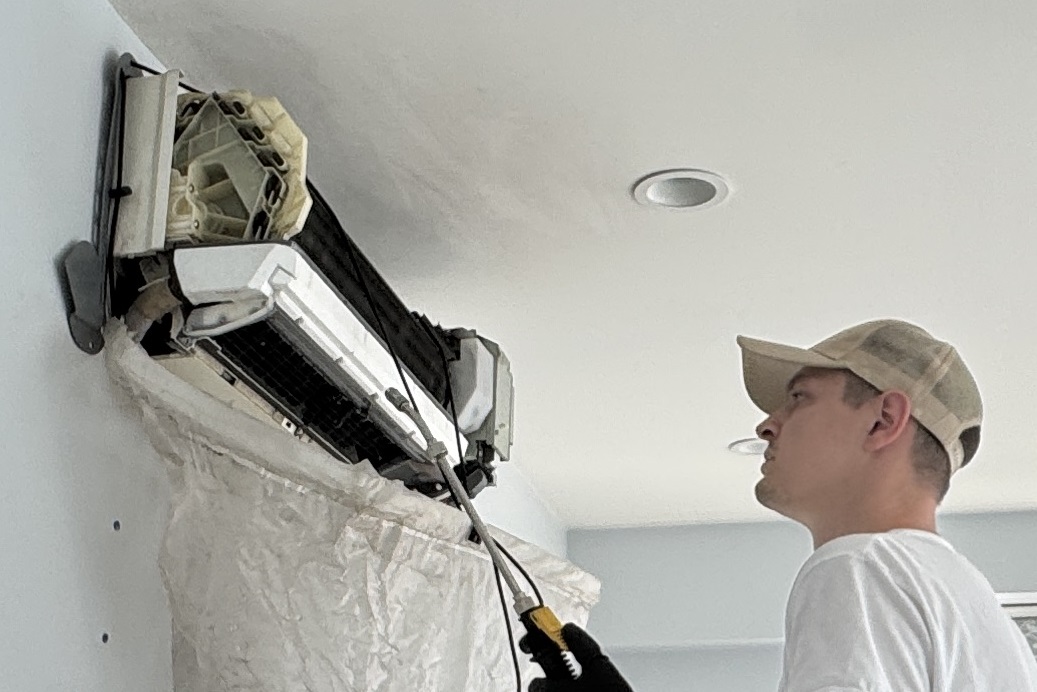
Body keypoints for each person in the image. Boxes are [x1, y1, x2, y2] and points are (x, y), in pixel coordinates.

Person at [529, 319, 1037, 691]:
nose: (767, 424)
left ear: (883, 420)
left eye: (799, 398)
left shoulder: (863, 569)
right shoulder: (981, 616)